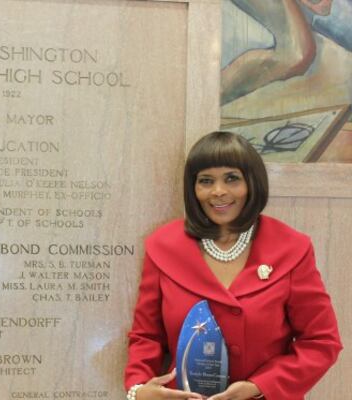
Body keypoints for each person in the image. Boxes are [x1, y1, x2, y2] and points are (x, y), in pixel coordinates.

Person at [124, 131, 342, 400]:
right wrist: (139, 389)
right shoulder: (163, 247)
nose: (218, 191)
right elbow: (146, 336)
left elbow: (321, 342)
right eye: (206, 181)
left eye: (232, 178)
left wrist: (260, 387)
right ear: (193, 189)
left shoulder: (291, 248)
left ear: (252, 183)